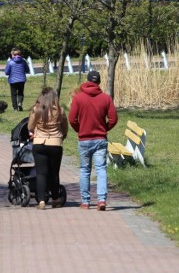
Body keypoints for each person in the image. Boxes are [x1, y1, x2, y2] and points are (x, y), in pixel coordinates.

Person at [68, 70, 118, 211]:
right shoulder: (106, 98)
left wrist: (80, 129)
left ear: (87, 81)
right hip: (100, 139)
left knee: (85, 170)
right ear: (99, 82)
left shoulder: (78, 98)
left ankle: (85, 201)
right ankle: (102, 200)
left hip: (84, 139)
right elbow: (113, 118)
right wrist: (105, 128)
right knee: (101, 169)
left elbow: (72, 119)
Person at [28, 87, 68, 210]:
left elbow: (30, 126)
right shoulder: (60, 111)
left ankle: (41, 201)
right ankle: (55, 198)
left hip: (39, 143)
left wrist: (34, 132)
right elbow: (65, 127)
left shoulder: (36, 110)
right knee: (54, 173)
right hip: (55, 144)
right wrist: (61, 137)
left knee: (41, 173)